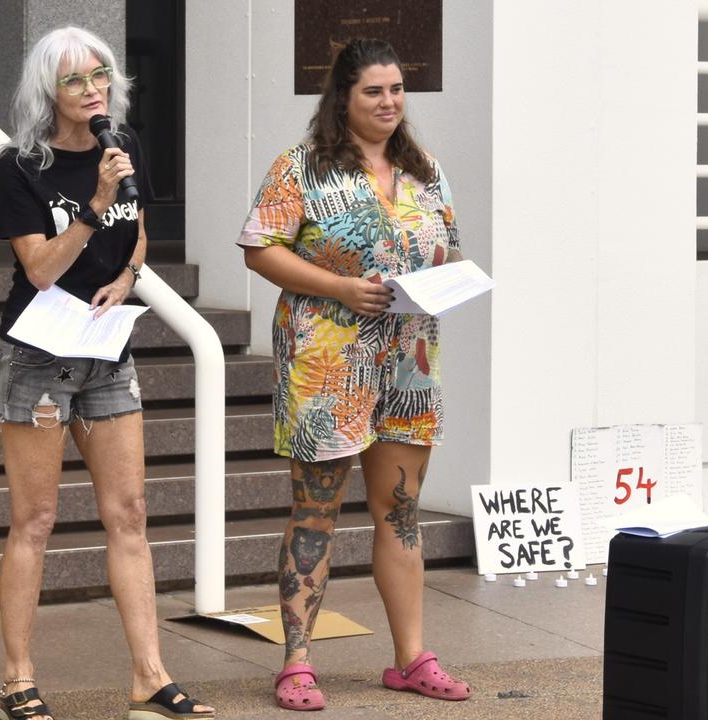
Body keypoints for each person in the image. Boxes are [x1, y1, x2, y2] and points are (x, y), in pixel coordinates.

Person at [237, 38, 473, 711]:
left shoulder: (425, 170)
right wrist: (339, 288)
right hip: (327, 362)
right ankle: (297, 663)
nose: (390, 102)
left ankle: (411, 659)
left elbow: (450, 251)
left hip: (409, 360)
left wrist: (447, 281)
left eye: (397, 90)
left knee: (400, 510)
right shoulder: (302, 167)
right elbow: (259, 249)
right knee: (316, 507)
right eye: (374, 91)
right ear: (343, 97)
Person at [0, 26, 214, 720]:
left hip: (107, 347)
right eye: (75, 81)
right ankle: (17, 679)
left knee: (130, 514)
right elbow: (40, 268)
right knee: (36, 520)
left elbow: (139, 227)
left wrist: (129, 275)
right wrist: (91, 204)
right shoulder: (21, 165)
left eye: (100, 75)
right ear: (48, 93)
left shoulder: (126, 146)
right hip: (39, 357)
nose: (93, 90)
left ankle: (149, 675)